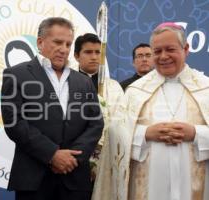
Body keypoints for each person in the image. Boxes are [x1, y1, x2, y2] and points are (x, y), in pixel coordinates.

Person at [1, 17, 104, 200]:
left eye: (68, 44)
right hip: (33, 179)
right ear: (40, 42)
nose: (64, 49)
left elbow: (95, 124)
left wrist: (72, 159)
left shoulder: (84, 81)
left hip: (75, 179)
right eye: (58, 42)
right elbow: (14, 123)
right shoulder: (16, 74)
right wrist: (52, 154)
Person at [125, 22, 209, 200]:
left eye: (170, 49)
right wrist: (146, 134)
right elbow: (117, 138)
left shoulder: (206, 88)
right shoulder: (135, 91)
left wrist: (195, 133)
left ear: (185, 49)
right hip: (147, 187)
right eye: (157, 51)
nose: (163, 56)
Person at [73, 33, 124, 181]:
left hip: (108, 158)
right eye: (88, 52)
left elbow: (121, 122)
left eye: (98, 52)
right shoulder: (66, 84)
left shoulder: (114, 87)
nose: (94, 57)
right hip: (74, 159)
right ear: (77, 56)